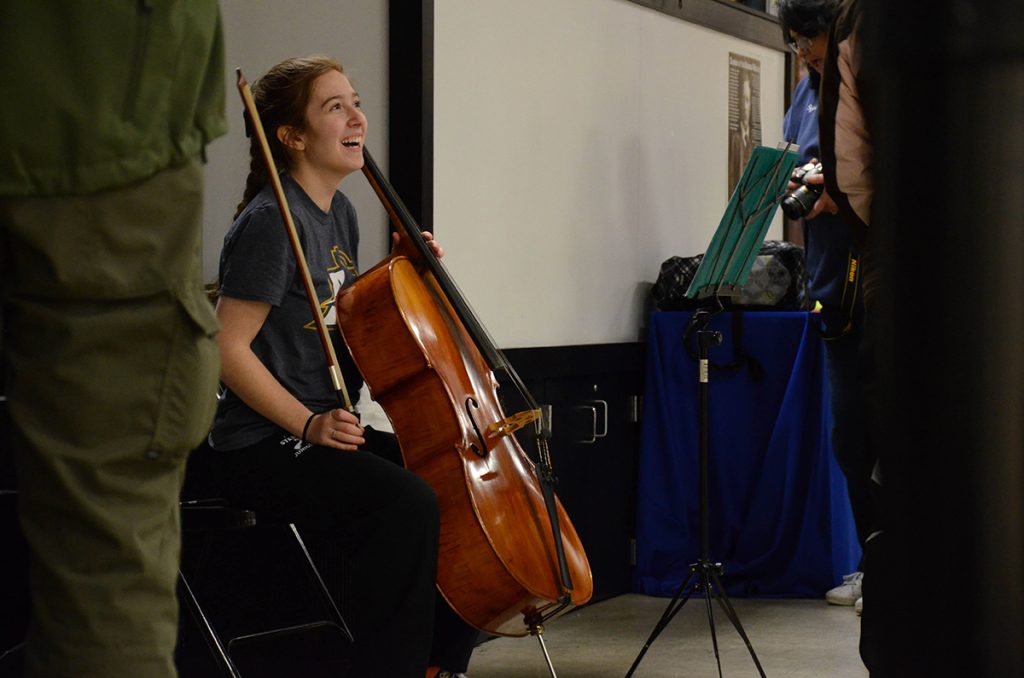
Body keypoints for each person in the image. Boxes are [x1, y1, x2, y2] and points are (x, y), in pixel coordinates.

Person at [196, 55, 476, 678]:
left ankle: (439, 662)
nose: (358, 118)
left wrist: (403, 268)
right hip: (261, 445)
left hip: (322, 433)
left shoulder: (340, 216)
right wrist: (307, 425)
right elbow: (223, 348)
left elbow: (339, 323)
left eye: (355, 102)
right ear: (292, 138)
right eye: (335, 107)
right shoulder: (272, 223)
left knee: (450, 481)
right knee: (406, 503)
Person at [0, 2, 226, 677]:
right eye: (337, 106)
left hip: (107, 111)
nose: (357, 117)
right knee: (105, 571)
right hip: (105, 112)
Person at [778, 0, 879, 618]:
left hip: (869, 277)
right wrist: (804, 186)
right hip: (826, 285)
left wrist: (834, 196)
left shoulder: (858, 78)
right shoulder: (803, 93)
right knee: (847, 435)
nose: (804, 54)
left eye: (808, 40)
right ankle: (872, 561)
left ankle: (896, 563)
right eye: (795, 43)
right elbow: (795, 168)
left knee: (881, 430)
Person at [729, 67, 758, 193]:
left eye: (747, 100)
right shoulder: (734, 139)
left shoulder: (752, 140)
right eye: (742, 99)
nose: (745, 106)